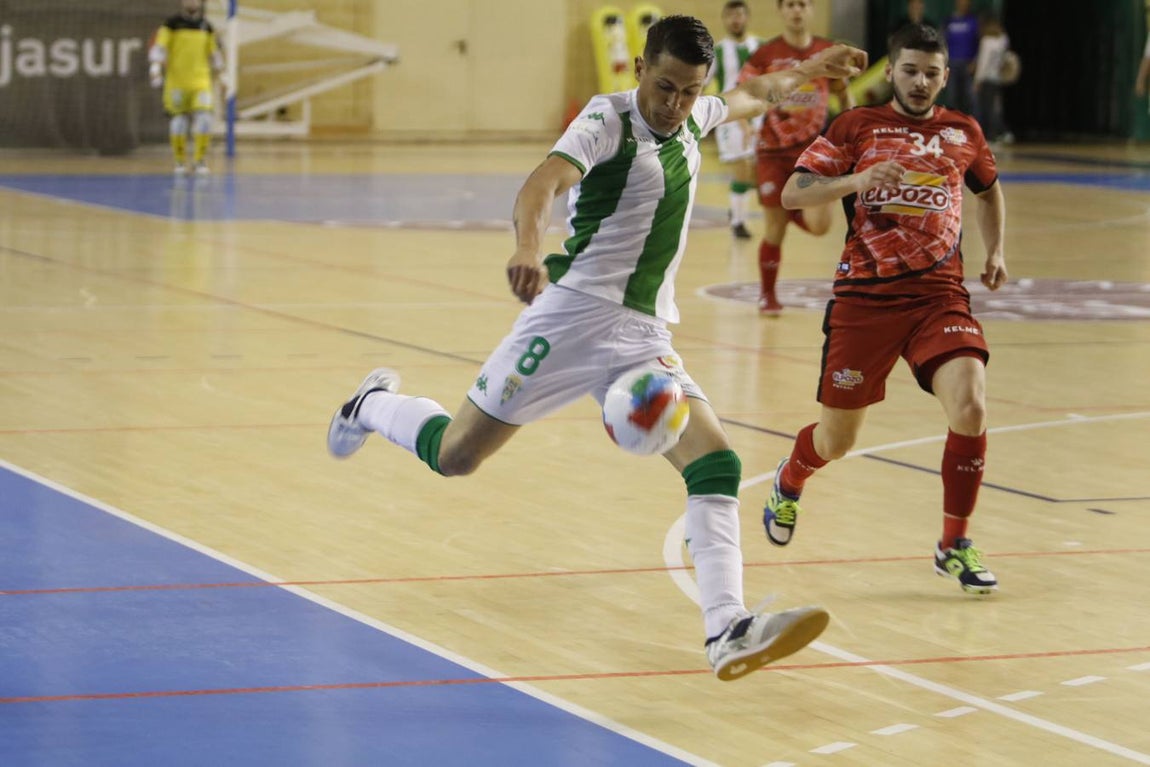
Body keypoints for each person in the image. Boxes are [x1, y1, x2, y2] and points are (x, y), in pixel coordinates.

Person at [327, 16, 866, 681]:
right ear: (639, 68)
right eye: (665, 86)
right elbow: (542, 184)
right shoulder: (606, 121)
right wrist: (528, 247)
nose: (674, 105)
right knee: (456, 455)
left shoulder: (693, 117)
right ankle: (373, 402)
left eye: (690, 92)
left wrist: (814, 69)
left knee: (716, 462)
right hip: (568, 319)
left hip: (642, 335)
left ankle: (726, 626)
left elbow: (757, 93)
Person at [761, 23, 1007, 596]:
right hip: (864, 303)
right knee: (836, 441)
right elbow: (794, 193)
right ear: (891, 72)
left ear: (946, 77)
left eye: (932, 72)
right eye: (910, 70)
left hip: (939, 297)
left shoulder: (963, 130)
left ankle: (953, 544)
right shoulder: (856, 126)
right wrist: (859, 179)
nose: (920, 81)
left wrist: (995, 250)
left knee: (970, 407)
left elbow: (988, 189)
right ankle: (791, 476)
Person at [737, 0, 855, 316]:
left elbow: (844, 95)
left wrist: (855, 130)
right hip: (773, 152)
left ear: (811, 9)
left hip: (814, 152)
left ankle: (786, 207)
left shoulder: (827, 51)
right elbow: (743, 93)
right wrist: (746, 126)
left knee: (820, 226)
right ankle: (767, 295)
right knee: (774, 228)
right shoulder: (766, 54)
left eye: (802, 4)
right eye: (789, 4)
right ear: (781, 11)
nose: (796, 10)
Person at [148, 0, 225, 175]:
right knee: (179, 122)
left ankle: (200, 161)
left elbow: (214, 54)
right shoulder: (171, 24)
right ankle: (180, 162)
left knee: (204, 119)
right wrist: (155, 67)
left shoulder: (207, 27)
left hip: (201, 82)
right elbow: (160, 48)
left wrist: (222, 75)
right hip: (177, 82)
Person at [708, 0, 764, 239]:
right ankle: (738, 223)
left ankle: (736, 211)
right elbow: (702, 82)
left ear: (747, 18)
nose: (736, 20)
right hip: (731, 116)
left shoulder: (760, 46)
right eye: (731, 16)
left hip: (759, 116)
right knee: (741, 169)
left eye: (740, 15)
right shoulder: (718, 51)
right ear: (725, 20)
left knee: (753, 173)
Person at [972, 14, 1013, 144]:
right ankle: (1000, 133)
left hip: (987, 79)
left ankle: (993, 135)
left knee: (987, 108)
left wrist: (977, 80)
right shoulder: (1002, 41)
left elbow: (983, 62)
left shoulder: (986, 41)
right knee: (993, 108)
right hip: (997, 78)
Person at [942, 0, 978, 113]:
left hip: (968, 64)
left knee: (970, 98)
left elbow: (978, 42)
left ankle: (970, 127)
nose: (964, 4)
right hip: (952, 63)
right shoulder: (948, 21)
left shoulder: (973, 21)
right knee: (952, 98)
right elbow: (942, 42)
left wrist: (975, 61)